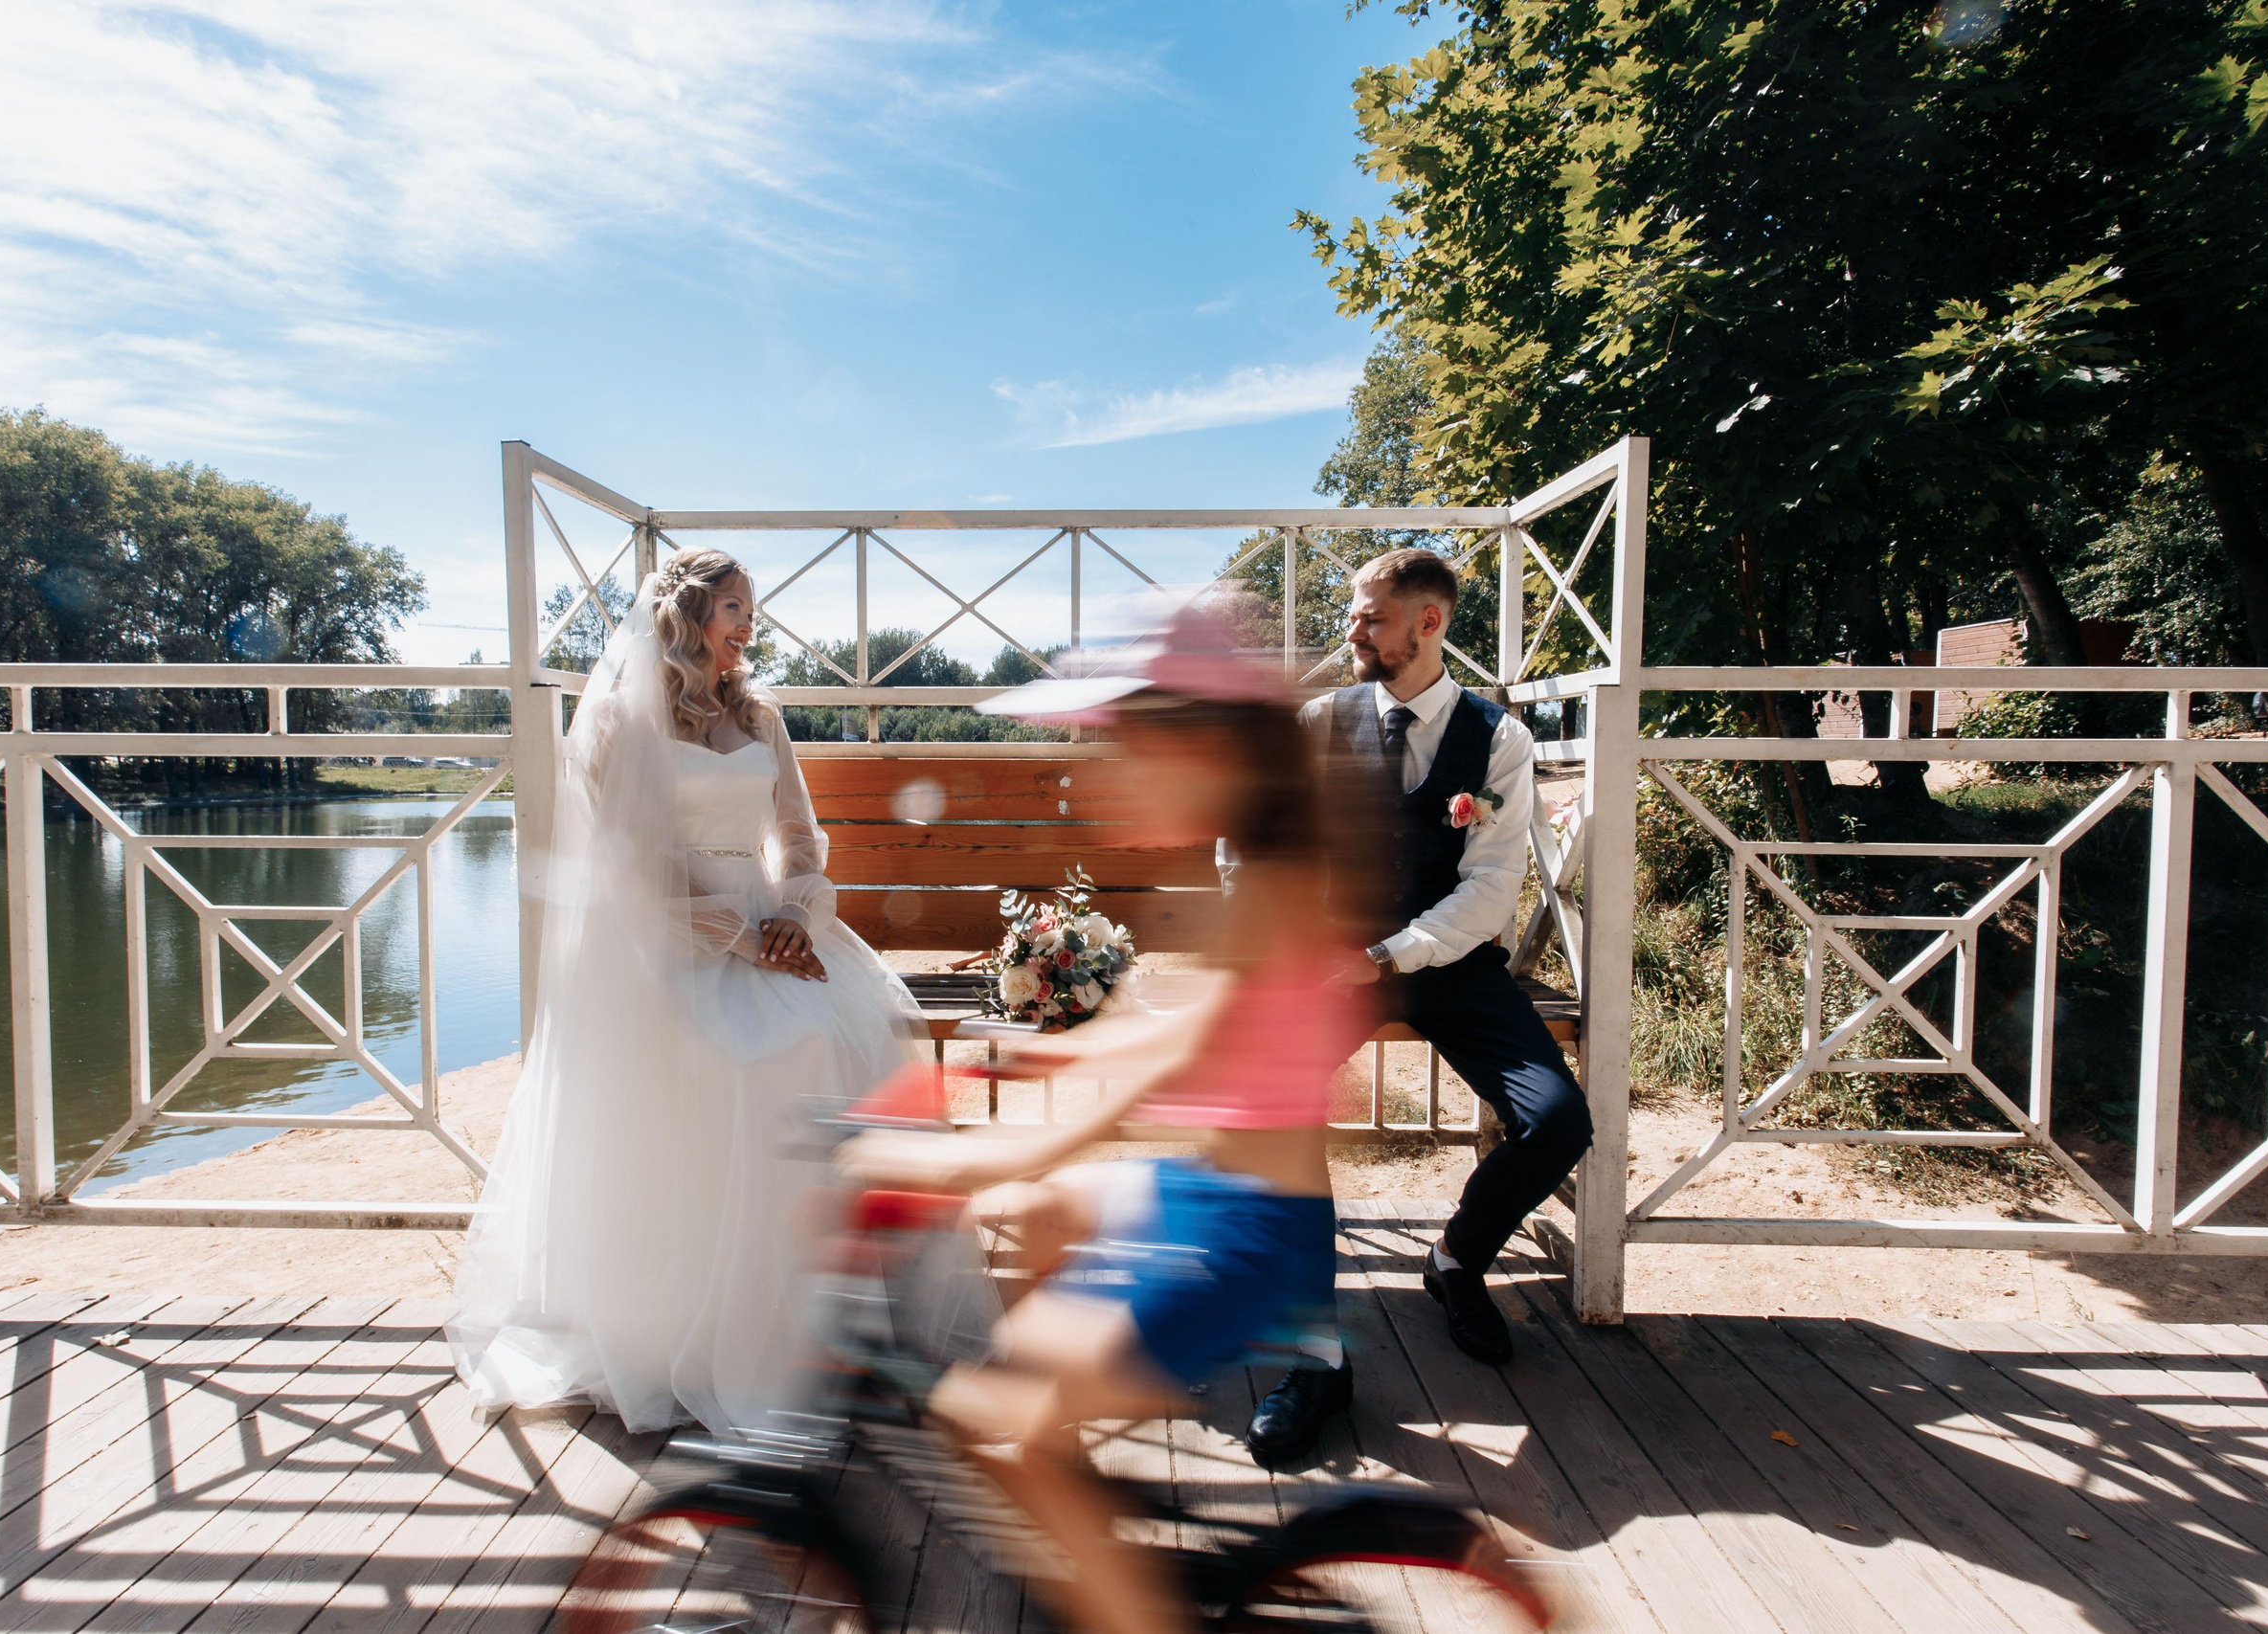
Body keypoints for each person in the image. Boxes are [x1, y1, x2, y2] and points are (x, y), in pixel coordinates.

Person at [841, 608, 1360, 1634]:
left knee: (994, 1434)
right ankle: (1080, 1492)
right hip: (1213, 1192)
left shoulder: (1277, 886)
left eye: (1124, 744)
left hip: (1248, 1234)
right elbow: (1200, 1031)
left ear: (1207, 747)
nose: (1101, 768)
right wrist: (1059, 1049)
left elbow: (1161, 1069)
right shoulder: (1258, 864)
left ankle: (1115, 1587)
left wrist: (982, 1156)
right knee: (1039, 1217)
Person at [448, 547, 924, 1434]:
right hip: (667, 945)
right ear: (692, 615)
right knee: (743, 1058)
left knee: (843, 1039)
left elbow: (801, 838)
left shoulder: (762, 714)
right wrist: (742, 938)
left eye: (754, 607)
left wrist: (791, 918)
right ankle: (698, 1331)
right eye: (737, 607)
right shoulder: (624, 723)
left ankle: (811, 1326)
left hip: (769, 933)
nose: (752, 625)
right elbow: (635, 868)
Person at [1245, 545, 1592, 1466]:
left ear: (1428, 624)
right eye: (1355, 613)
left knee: (1558, 1121)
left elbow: (1489, 889)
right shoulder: (1322, 724)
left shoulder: (1499, 740)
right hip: (1331, 960)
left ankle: (1457, 1260)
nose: (1351, 629)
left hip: (1447, 961)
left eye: (1369, 616)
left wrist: (1386, 956)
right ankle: (1315, 1354)